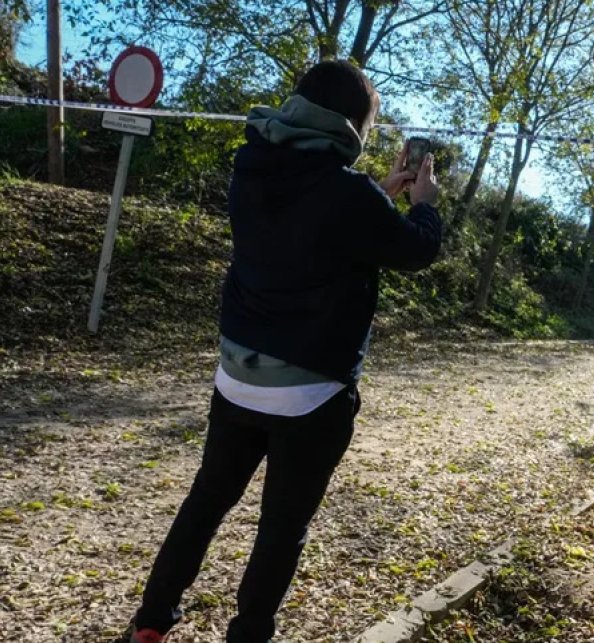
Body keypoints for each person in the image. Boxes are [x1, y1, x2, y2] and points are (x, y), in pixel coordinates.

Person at [121, 60, 442, 643]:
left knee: (206, 501)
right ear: (351, 124)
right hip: (310, 394)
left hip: (237, 375)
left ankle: (151, 622)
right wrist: (424, 203)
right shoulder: (348, 194)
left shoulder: (252, 165)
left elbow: (309, 223)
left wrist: (378, 193)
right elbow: (415, 250)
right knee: (281, 527)